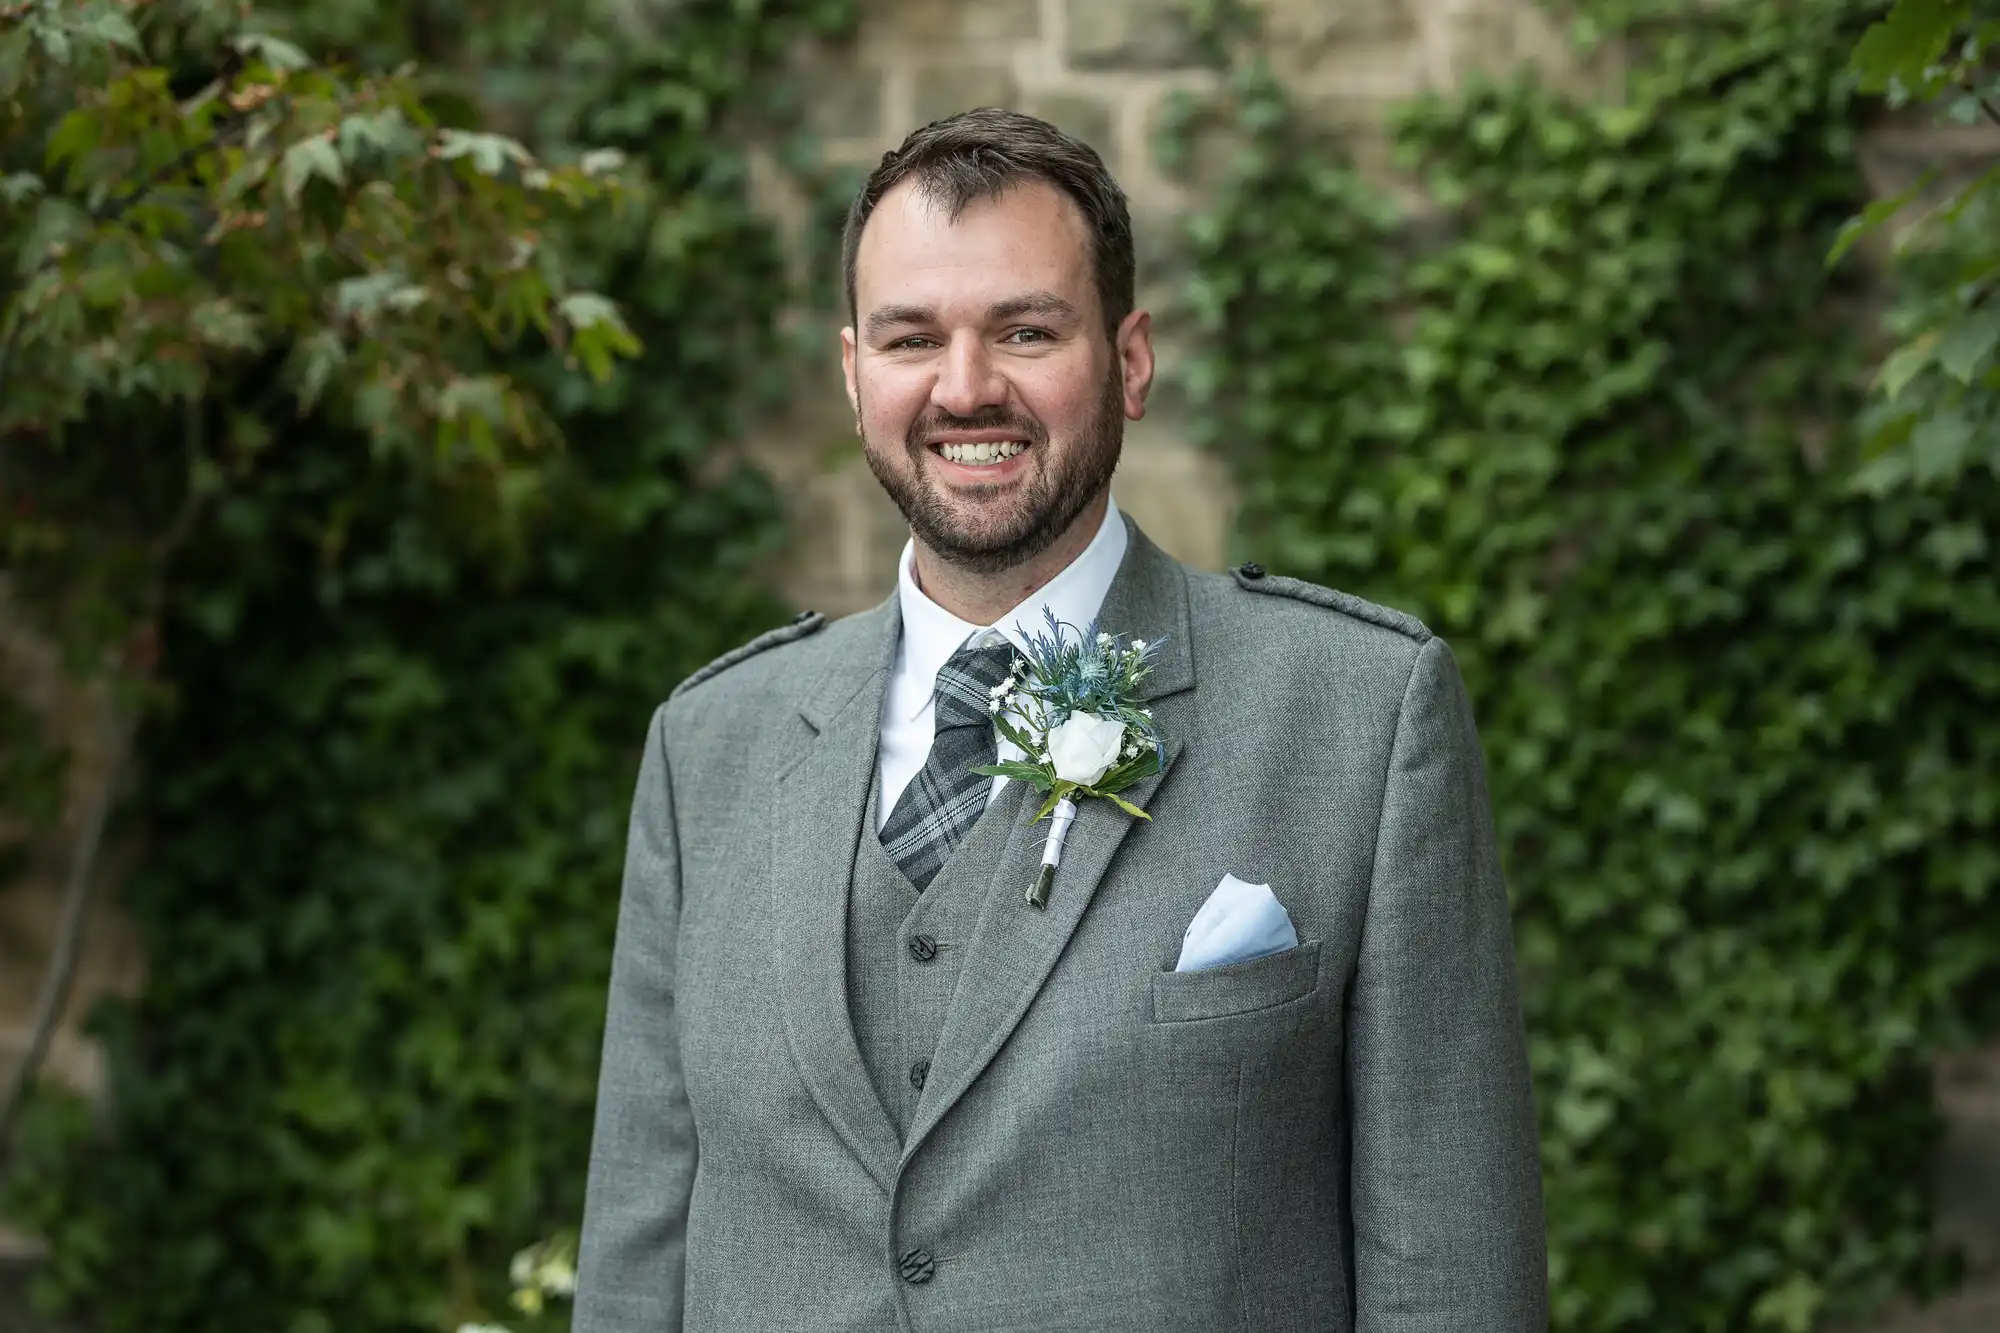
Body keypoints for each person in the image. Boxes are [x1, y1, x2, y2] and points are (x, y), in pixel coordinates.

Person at [573, 107, 1546, 1332]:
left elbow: (1452, 1276)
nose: (964, 387)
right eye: (911, 337)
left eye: (1025, 331)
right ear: (851, 373)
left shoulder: (1356, 715)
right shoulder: (705, 746)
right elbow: (635, 1259)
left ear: (1127, 360)